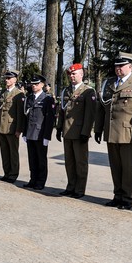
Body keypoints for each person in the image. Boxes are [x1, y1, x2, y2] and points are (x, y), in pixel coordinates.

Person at [94, 52, 132, 210]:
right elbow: (102, 108)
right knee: (115, 167)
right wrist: (98, 129)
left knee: (129, 168)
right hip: (112, 133)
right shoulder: (109, 83)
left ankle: (127, 198)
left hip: (130, 134)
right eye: (116, 66)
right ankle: (117, 195)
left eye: (121, 66)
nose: (118, 69)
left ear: (130, 66)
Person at [55, 64, 96, 198]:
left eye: (74, 74)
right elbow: (62, 111)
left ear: (81, 75)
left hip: (79, 132)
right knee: (69, 161)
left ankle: (79, 189)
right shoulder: (66, 91)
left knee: (80, 162)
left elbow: (90, 114)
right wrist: (59, 127)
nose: (72, 77)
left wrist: (86, 132)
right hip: (67, 131)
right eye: (70, 74)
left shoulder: (88, 91)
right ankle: (70, 186)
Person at [21, 74, 55, 190]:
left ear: (42, 85)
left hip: (40, 134)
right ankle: (33, 179)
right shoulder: (29, 98)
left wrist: (47, 136)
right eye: (32, 84)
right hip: (30, 133)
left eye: (36, 84)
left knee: (41, 159)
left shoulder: (47, 99)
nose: (34, 86)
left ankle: (40, 181)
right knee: (32, 158)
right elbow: (26, 116)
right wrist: (25, 133)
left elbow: (49, 119)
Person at [0, 71, 25, 183]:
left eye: (9, 78)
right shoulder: (2, 92)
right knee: (4, 151)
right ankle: (6, 173)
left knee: (13, 152)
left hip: (12, 128)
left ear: (15, 80)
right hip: (2, 127)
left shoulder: (18, 94)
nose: (7, 80)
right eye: (6, 78)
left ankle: (13, 174)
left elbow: (20, 114)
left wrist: (18, 129)